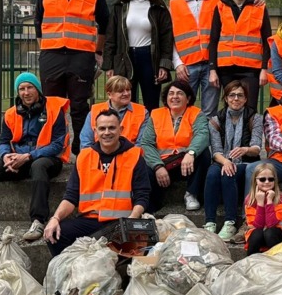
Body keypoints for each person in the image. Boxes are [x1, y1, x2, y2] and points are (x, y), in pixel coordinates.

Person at [0, 72, 68, 243]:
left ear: (38, 89)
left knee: (38, 166)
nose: (26, 92)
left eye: (30, 87)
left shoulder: (54, 110)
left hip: (48, 158)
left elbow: (57, 144)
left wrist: (28, 156)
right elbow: (3, 141)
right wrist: (5, 157)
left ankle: (38, 221)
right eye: (22, 89)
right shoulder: (10, 114)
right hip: (17, 158)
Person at [43, 108, 150, 257]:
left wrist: (131, 221)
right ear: (95, 131)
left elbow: (142, 195)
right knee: (56, 233)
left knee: (144, 244)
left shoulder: (134, 155)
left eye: (112, 128)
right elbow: (71, 196)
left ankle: (121, 279)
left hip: (122, 221)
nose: (107, 132)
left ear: (121, 129)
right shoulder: (84, 156)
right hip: (90, 221)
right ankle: (72, 274)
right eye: (102, 128)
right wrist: (55, 218)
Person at [35, 0, 108, 154]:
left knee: (79, 105)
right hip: (52, 54)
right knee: (52, 105)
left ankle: (81, 148)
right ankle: (54, 147)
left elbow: (104, 23)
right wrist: (44, 48)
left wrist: (98, 52)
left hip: (81, 56)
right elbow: (38, 19)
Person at [103, 0, 173, 111]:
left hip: (149, 58)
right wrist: (109, 65)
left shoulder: (158, 7)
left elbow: (166, 38)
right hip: (125, 58)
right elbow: (111, 37)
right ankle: (127, 133)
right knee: (125, 100)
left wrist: (164, 65)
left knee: (152, 102)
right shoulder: (120, 6)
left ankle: (150, 132)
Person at [202, 80, 263, 241]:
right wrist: (226, 161)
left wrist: (245, 149)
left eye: (240, 96)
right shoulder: (216, 120)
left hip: (246, 161)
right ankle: (209, 222)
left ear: (245, 99)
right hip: (222, 159)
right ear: (226, 98)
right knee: (212, 174)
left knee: (228, 174)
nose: (236, 99)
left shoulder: (254, 117)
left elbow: (257, 147)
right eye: (232, 95)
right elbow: (216, 151)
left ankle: (230, 221)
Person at [141, 79, 208, 215]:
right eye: (171, 93)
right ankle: (152, 207)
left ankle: (191, 194)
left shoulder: (196, 113)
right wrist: (158, 166)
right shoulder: (156, 114)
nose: (175, 97)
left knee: (204, 154)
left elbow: (203, 135)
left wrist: (191, 153)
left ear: (188, 98)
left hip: (187, 164)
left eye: (180, 93)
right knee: (144, 167)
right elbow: (147, 143)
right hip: (164, 163)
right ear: (166, 98)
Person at [209, 0, 270, 114]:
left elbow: (267, 41)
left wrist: (264, 69)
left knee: (249, 108)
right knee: (231, 108)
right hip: (226, 68)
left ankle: (249, 137)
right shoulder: (221, 6)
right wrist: (213, 70)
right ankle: (230, 137)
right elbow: (214, 39)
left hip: (251, 69)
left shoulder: (259, 6)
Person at [169, 0, 220, 116]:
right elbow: (169, 39)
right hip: (186, 67)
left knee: (210, 112)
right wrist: (177, 64)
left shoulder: (219, 1)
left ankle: (208, 140)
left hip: (212, 66)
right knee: (182, 110)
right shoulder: (174, 5)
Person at [79, 75, 149, 152]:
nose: (126, 93)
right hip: (99, 157)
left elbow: (142, 143)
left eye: (128, 89)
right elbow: (86, 142)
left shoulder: (142, 112)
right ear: (109, 94)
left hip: (129, 159)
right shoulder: (95, 111)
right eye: (121, 91)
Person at [243, 162, 282, 255]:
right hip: (257, 233)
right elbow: (258, 225)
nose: (267, 182)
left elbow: (271, 224)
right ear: (255, 181)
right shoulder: (250, 199)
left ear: (275, 180)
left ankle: (277, 261)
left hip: (275, 234)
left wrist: (270, 201)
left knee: (269, 232)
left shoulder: (280, 197)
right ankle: (252, 262)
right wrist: (260, 203)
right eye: (262, 179)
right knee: (257, 233)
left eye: (271, 179)